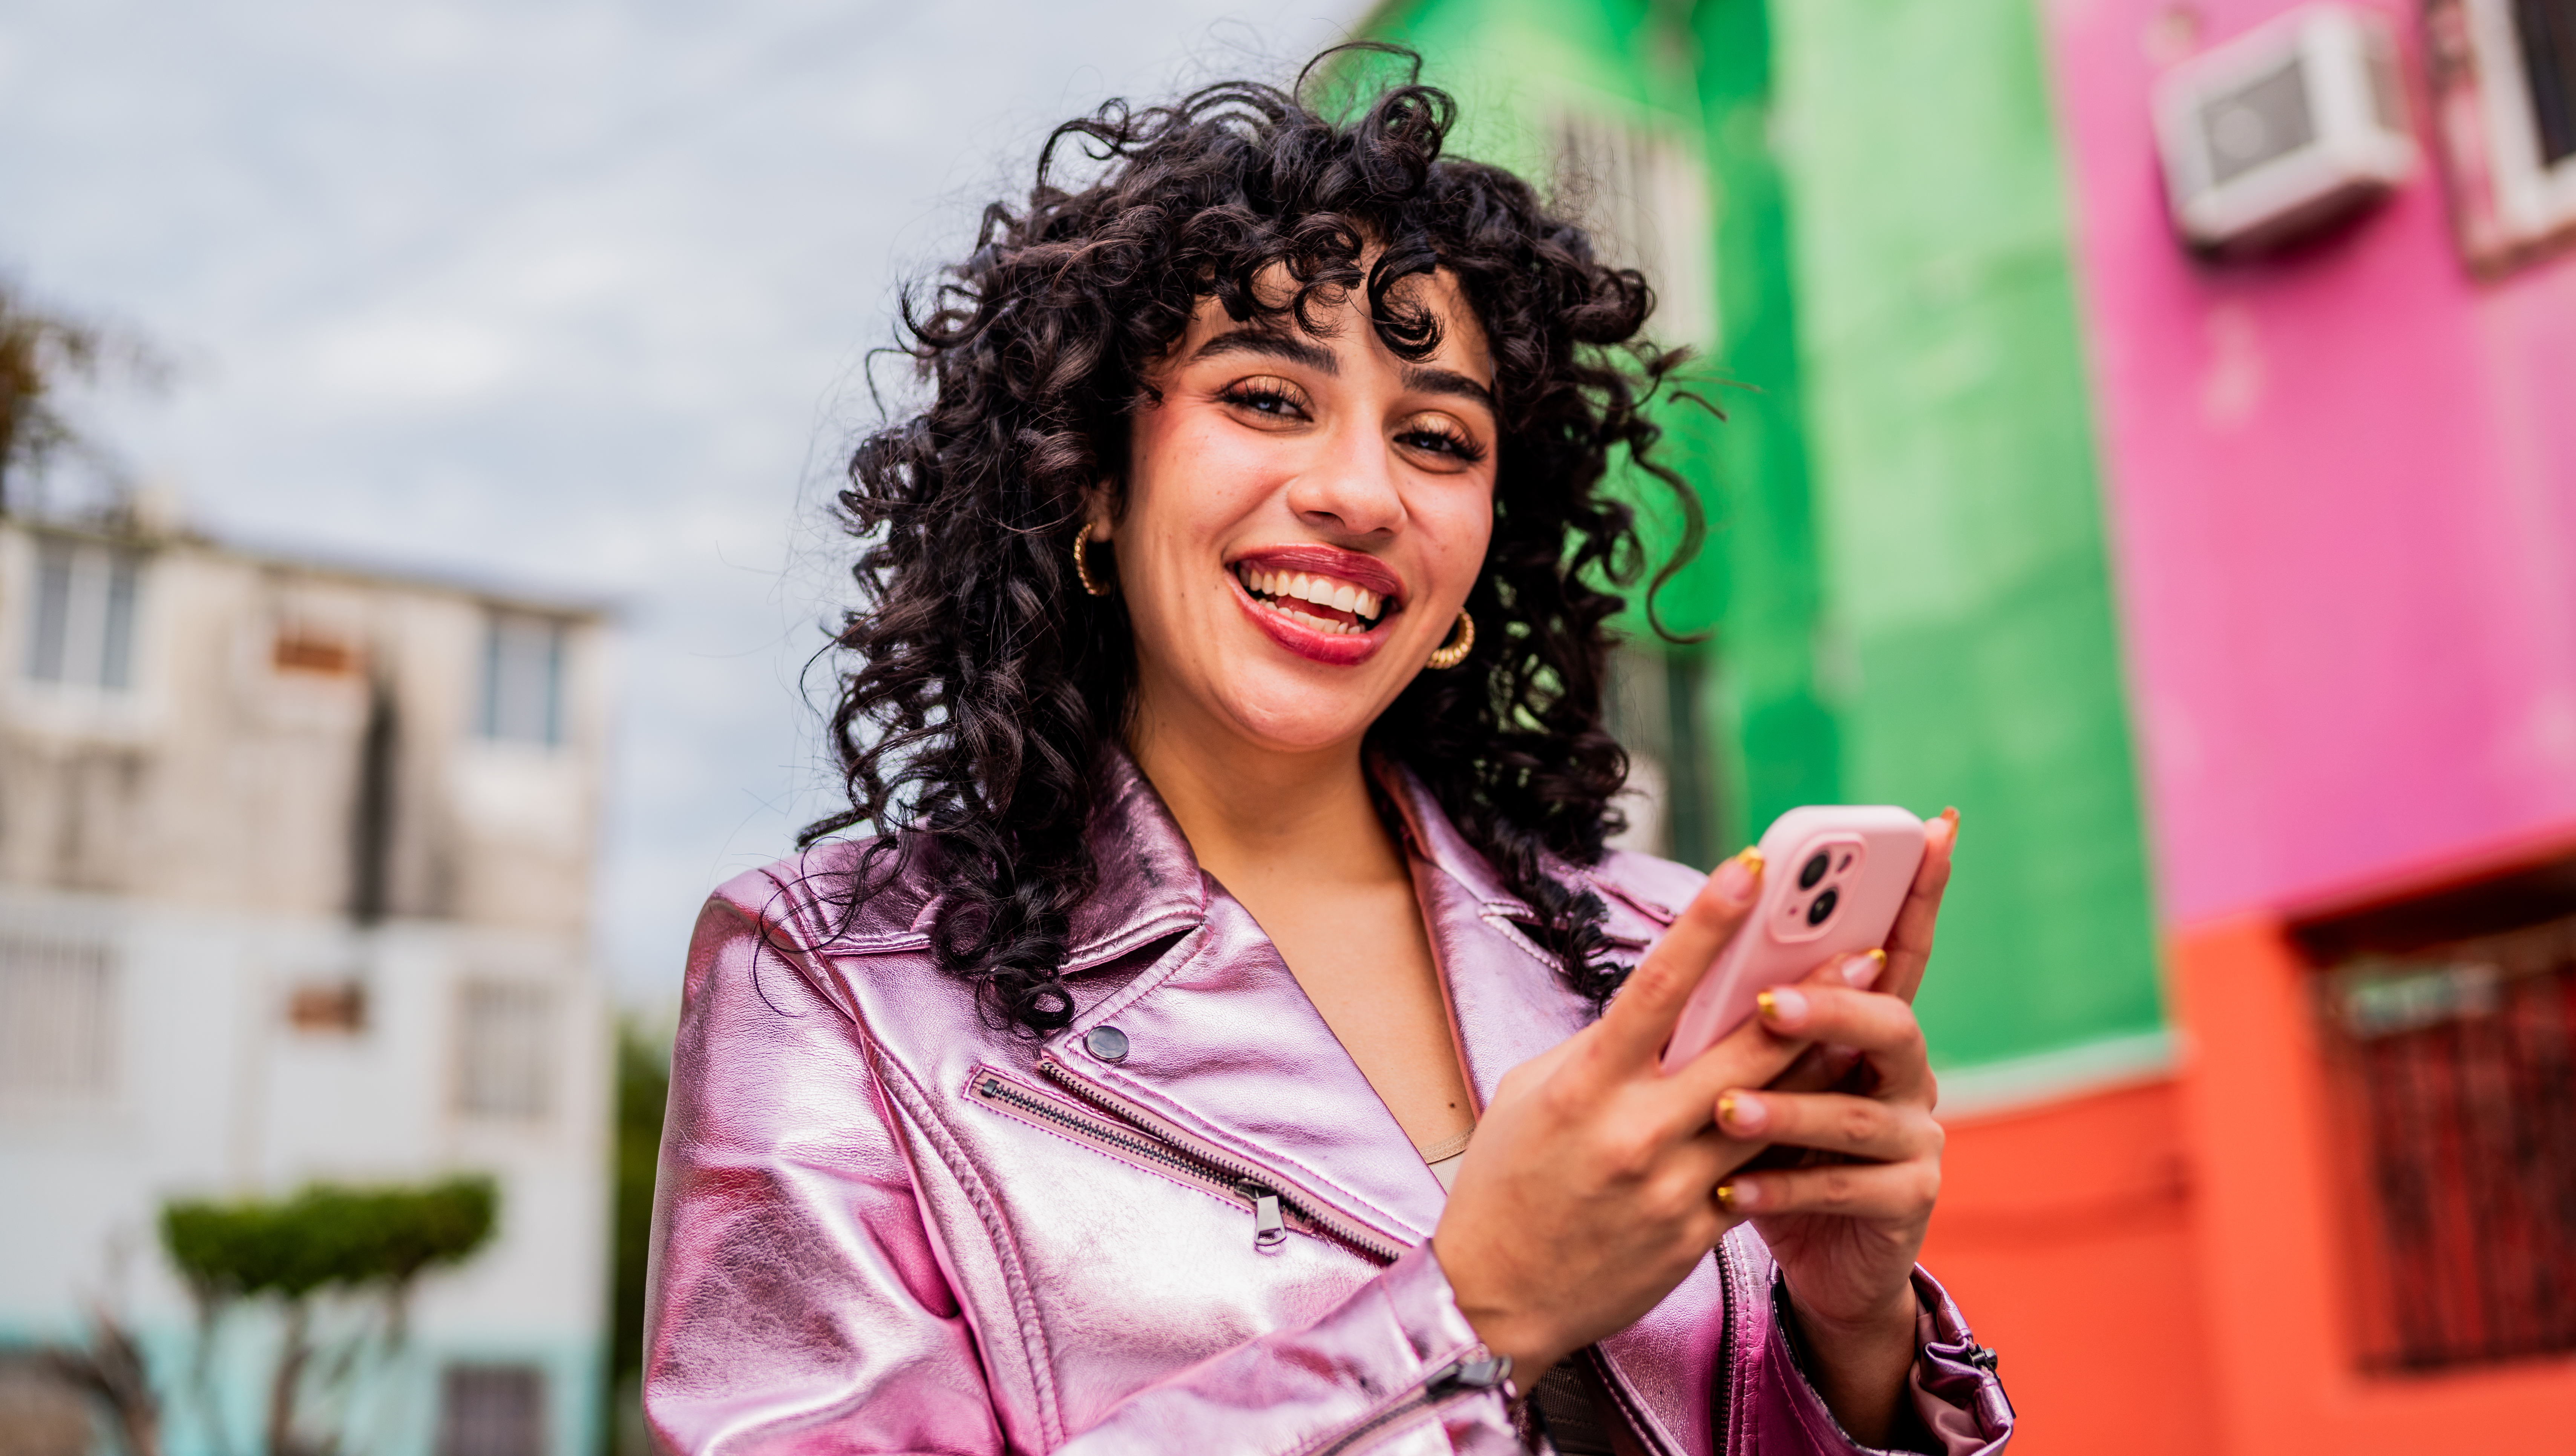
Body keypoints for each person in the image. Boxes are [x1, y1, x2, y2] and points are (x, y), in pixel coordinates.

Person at [643, 51, 2012, 1456]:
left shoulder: (1656, 949)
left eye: (1434, 438)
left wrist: (1852, 1344)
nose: (1360, 494)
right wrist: (1465, 1318)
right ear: (1092, 481)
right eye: (1265, 399)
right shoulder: (834, 981)